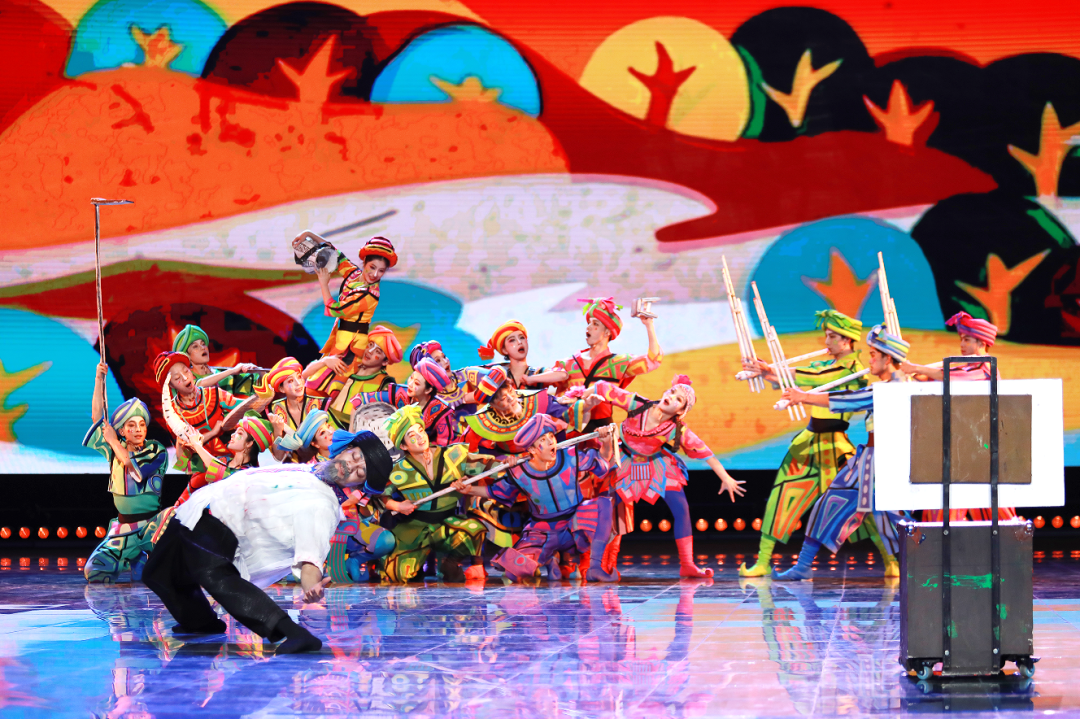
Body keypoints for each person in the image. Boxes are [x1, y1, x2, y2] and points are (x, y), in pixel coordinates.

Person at [142, 430, 392, 653]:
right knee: (157, 573)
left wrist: (311, 586)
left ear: (359, 484)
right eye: (355, 457)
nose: (350, 466)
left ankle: (293, 633)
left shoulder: (323, 505)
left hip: (223, 526)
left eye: (359, 472)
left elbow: (311, 556)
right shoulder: (309, 470)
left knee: (217, 577)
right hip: (200, 508)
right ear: (347, 449)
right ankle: (200, 622)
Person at [773, 325, 912, 580]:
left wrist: (803, 396)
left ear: (887, 359)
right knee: (835, 505)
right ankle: (803, 565)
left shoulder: (893, 388)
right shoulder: (893, 385)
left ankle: (927, 562)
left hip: (884, 462)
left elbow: (850, 399)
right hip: (870, 459)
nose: (869, 360)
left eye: (873, 355)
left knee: (894, 518)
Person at [739, 309, 868, 577]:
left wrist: (772, 369)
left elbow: (818, 378)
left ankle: (891, 561)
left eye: (832, 336)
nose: (826, 342)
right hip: (808, 444)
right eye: (826, 336)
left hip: (835, 448)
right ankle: (763, 561)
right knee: (781, 497)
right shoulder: (826, 364)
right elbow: (798, 378)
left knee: (858, 508)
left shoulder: (853, 370)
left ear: (847, 340)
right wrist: (764, 371)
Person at [583, 375, 745, 578]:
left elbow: (704, 452)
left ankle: (687, 564)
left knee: (681, 508)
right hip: (624, 460)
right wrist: (581, 397)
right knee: (606, 507)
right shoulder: (637, 404)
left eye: (679, 399)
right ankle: (594, 566)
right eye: (672, 392)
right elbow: (603, 387)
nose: (672, 396)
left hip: (655, 465)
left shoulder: (676, 429)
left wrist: (726, 478)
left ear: (680, 411)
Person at [452, 415, 620, 583]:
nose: (551, 441)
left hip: (573, 524)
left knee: (603, 504)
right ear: (532, 450)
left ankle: (595, 568)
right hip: (542, 531)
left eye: (551, 436)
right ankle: (548, 558)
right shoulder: (519, 471)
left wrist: (606, 443)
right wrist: (469, 489)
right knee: (514, 572)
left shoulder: (570, 456)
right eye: (543, 440)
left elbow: (602, 464)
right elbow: (496, 491)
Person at [901, 311, 1015, 522]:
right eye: (961, 339)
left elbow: (947, 376)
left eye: (967, 340)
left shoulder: (985, 366)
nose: (962, 344)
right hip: (964, 444)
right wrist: (914, 371)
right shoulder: (965, 366)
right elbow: (928, 377)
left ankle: (1008, 539)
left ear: (981, 343)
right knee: (952, 503)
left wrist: (915, 367)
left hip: (982, 446)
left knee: (993, 509)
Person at [375, 405, 493, 584]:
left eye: (420, 431)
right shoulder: (398, 469)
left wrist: (509, 462)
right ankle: (416, 566)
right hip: (414, 528)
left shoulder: (453, 455)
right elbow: (381, 497)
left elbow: (488, 466)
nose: (420, 437)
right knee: (397, 575)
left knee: (473, 530)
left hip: (447, 523)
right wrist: (398, 506)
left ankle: (449, 563)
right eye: (412, 435)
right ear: (403, 445)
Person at [82, 363, 169, 583]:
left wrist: (113, 440)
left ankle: (147, 557)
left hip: (152, 527)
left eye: (142, 424)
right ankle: (134, 555)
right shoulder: (114, 449)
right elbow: (97, 418)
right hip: (124, 529)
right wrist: (99, 379)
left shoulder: (155, 450)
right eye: (131, 425)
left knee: (173, 522)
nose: (138, 429)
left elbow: (132, 466)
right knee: (95, 572)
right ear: (122, 430)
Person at [522, 297, 663, 431]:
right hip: (569, 436)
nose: (588, 327)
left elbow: (653, 361)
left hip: (602, 436)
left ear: (607, 332)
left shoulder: (618, 363)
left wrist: (649, 325)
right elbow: (536, 388)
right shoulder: (568, 364)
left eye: (595, 324)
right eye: (588, 323)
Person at [460, 365, 595, 457]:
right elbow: (466, 454)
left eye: (510, 391)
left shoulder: (534, 399)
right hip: (511, 470)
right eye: (503, 398)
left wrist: (586, 406)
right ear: (492, 404)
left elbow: (565, 412)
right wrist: (498, 464)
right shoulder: (480, 422)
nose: (511, 398)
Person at [153, 351, 247, 473]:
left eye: (186, 371)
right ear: (171, 385)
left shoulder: (214, 394)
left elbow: (246, 408)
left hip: (232, 460)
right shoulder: (173, 414)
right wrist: (213, 433)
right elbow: (183, 457)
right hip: (201, 469)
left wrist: (265, 391)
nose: (185, 378)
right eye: (177, 378)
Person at [311, 234, 397, 360]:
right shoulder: (355, 274)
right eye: (372, 267)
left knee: (327, 371)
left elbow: (335, 310)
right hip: (341, 338)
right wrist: (309, 234)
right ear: (365, 262)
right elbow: (336, 255)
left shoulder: (368, 295)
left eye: (381, 271)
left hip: (352, 345)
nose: (375, 274)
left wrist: (324, 284)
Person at [352, 356, 460, 446]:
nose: (410, 384)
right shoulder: (399, 393)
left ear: (428, 390)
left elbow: (444, 445)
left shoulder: (441, 411)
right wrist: (351, 437)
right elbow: (358, 400)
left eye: (416, 383)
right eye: (411, 378)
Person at [308, 325, 402, 427]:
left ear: (385, 362)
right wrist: (324, 361)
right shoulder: (348, 365)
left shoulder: (384, 384)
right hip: (323, 424)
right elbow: (305, 378)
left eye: (378, 351)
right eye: (370, 345)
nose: (369, 351)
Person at [175, 416, 274, 505]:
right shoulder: (222, 460)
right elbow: (186, 464)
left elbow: (224, 474)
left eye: (239, 433)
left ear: (249, 443)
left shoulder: (249, 474)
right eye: (235, 432)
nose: (232, 435)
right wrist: (180, 442)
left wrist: (197, 445)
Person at [171, 323, 259, 397]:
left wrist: (257, 371)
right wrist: (232, 370)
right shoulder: (187, 378)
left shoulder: (223, 376)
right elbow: (198, 385)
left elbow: (254, 385)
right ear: (187, 356)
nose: (203, 348)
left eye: (203, 344)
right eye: (195, 346)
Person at [265, 357, 323, 447]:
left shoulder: (320, 404)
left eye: (299, 377)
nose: (298, 383)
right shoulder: (274, 409)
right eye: (291, 381)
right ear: (281, 389)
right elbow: (278, 454)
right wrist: (278, 431)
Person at [409, 340, 481, 409]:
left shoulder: (465, 374)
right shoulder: (425, 398)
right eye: (437, 360)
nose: (445, 361)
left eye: (444, 356)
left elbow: (488, 376)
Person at [476, 320, 546, 389]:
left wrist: (532, 379)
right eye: (512, 340)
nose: (519, 342)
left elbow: (553, 374)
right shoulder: (496, 374)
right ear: (504, 350)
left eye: (522, 338)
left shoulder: (538, 372)